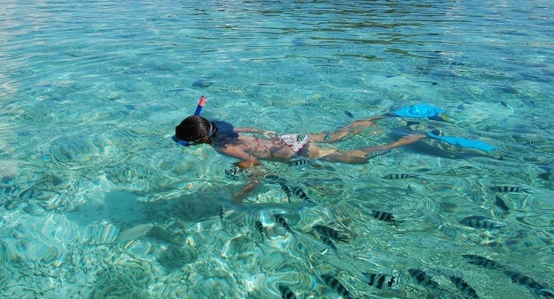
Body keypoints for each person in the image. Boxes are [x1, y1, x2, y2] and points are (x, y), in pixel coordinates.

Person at [174, 114, 427, 201]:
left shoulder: (223, 149)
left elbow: (256, 166)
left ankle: (401, 141)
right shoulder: (219, 127)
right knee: (333, 136)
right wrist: (262, 131)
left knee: (355, 157)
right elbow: (245, 130)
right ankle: (372, 120)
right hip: (289, 138)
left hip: (296, 152)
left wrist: (244, 191)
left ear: (202, 139)